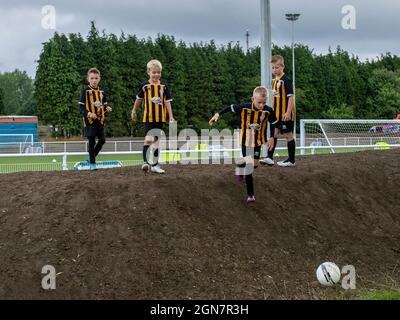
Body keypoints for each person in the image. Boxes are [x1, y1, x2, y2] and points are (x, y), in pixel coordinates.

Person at [209, 86, 277, 204]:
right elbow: (230, 107)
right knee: (250, 167)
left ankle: (240, 166)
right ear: (253, 99)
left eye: (263, 102)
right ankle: (250, 195)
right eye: (259, 102)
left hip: (258, 141)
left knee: (255, 165)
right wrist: (217, 114)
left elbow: (274, 122)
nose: (261, 105)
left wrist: (271, 137)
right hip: (246, 140)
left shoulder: (268, 110)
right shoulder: (244, 107)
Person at [131, 59, 175, 174]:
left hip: (160, 118)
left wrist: (171, 116)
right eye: (154, 72)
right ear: (148, 72)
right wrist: (134, 111)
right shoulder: (144, 86)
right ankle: (145, 162)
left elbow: (167, 102)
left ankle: (155, 165)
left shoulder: (164, 86)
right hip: (148, 118)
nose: (156, 74)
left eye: (158, 72)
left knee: (156, 142)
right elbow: (138, 99)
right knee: (148, 140)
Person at [260, 55, 296, 167]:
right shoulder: (274, 81)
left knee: (288, 135)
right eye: (273, 68)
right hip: (276, 114)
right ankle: (269, 158)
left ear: (282, 67)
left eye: (276, 67)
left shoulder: (286, 80)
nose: (274, 70)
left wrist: (288, 112)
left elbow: (290, 97)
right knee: (273, 134)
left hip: (286, 114)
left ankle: (291, 160)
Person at [79, 68, 112, 171]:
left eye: (96, 78)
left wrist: (108, 108)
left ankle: (90, 158)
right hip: (89, 121)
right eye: (92, 78)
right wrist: (89, 113)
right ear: (88, 79)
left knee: (102, 140)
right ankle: (92, 164)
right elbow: (81, 107)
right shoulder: (85, 90)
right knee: (92, 141)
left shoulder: (102, 92)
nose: (94, 80)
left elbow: (105, 104)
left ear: (99, 79)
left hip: (100, 120)